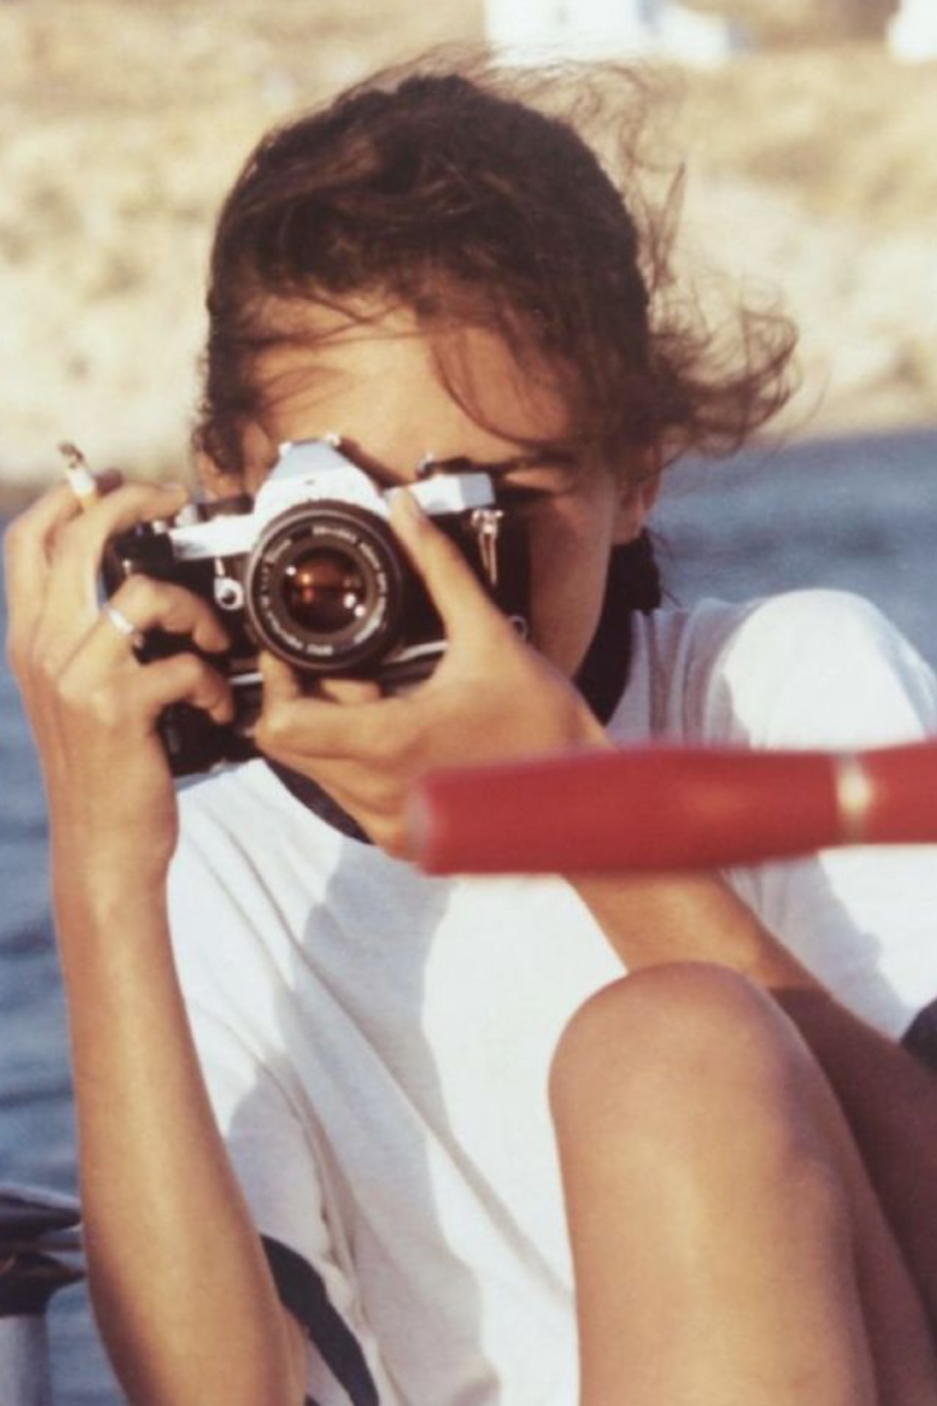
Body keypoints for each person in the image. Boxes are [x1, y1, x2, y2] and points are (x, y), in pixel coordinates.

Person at [6, 59, 937, 1406]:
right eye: (366, 504)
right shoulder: (217, 864)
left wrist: (574, 807)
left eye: (495, 496)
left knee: (675, 1049)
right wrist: (100, 870)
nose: (433, 564)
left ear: (638, 472)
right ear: (232, 488)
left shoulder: (788, 691)